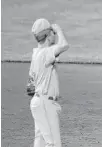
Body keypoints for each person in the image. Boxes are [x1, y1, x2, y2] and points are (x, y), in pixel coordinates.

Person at [27, 18, 69, 146]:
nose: (54, 35)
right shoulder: (46, 53)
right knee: (53, 144)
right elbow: (64, 45)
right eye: (52, 32)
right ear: (47, 35)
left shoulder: (36, 54)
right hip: (45, 105)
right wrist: (59, 31)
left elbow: (30, 89)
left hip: (38, 103)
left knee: (39, 141)